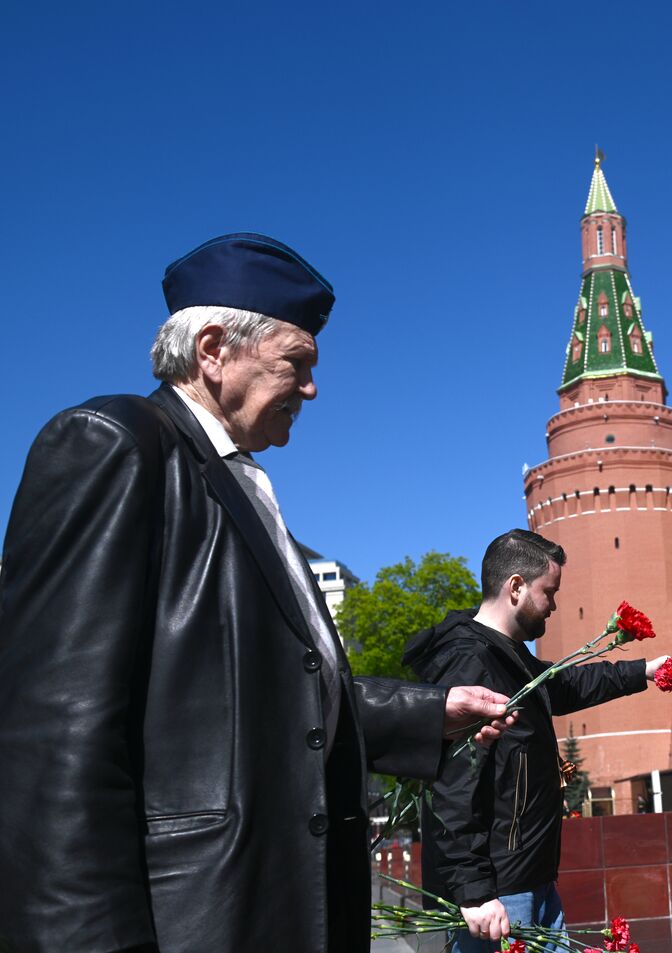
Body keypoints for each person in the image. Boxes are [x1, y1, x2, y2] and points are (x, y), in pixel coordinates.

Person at [0, 233, 514, 953]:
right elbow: (54, 739)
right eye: (296, 364)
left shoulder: (239, 479)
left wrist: (429, 713)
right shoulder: (113, 443)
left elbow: (264, 689)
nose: (311, 388)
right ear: (213, 349)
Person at [402, 529, 668, 951]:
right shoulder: (468, 661)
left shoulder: (509, 656)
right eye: (549, 592)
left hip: (532, 879)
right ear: (516, 587)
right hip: (499, 895)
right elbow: (450, 787)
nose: (555, 605)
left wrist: (644, 672)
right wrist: (474, 891)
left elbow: (564, 684)